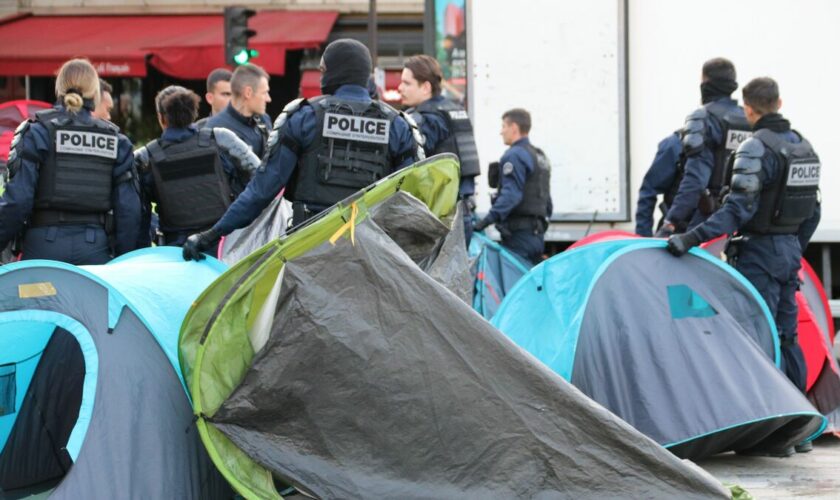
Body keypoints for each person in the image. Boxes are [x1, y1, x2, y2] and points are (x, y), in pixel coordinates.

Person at [182, 39, 419, 260]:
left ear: (337, 70)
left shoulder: (304, 117)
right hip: (372, 252)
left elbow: (261, 191)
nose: (321, 75)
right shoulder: (398, 125)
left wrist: (212, 234)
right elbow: (411, 199)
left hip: (310, 249)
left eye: (324, 69)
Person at [667, 77, 820, 405]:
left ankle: (768, 422)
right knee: (788, 335)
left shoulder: (756, 147)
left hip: (759, 252)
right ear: (779, 103)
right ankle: (801, 423)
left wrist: (690, 238)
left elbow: (736, 210)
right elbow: (813, 212)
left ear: (749, 110)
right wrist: (793, 247)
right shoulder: (804, 147)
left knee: (757, 333)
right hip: (789, 249)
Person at [0, 58, 140, 264]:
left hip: (43, 249)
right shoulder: (117, 141)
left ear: (59, 89)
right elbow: (129, 210)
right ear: (95, 93)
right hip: (95, 250)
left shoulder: (37, 132)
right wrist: (122, 263)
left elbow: (18, 200)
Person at [133, 86, 261, 248]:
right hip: (225, 246)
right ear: (193, 113)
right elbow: (261, 179)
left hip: (177, 250)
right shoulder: (222, 139)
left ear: (162, 118)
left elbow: (137, 213)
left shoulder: (145, 157)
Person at [655, 58, 751, 237]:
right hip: (741, 221)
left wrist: (671, 221)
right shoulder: (747, 119)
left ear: (705, 84)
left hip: (708, 221)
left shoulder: (704, 118)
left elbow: (696, 179)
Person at [399, 54, 480, 244]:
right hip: (463, 214)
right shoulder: (455, 111)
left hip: (439, 220)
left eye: (406, 83)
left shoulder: (425, 120)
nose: (400, 88)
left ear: (426, 87)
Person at [474, 108, 552, 265]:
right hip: (536, 234)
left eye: (504, 126)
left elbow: (511, 195)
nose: (501, 132)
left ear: (514, 128)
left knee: (514, 283)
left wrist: (485, 221)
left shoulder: (514, 155)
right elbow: (547, 201)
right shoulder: (540, 156)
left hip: (518, 234)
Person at [205, 63, 272, 160]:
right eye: (264, 93)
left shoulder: (264, 119)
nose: (268, 99)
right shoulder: (214, 129)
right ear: (248, 93)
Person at [634, 132, 683, 236]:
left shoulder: (722, 145)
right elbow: (648, 192)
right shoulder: (676, 144)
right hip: (675, 233)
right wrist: (644, 240)